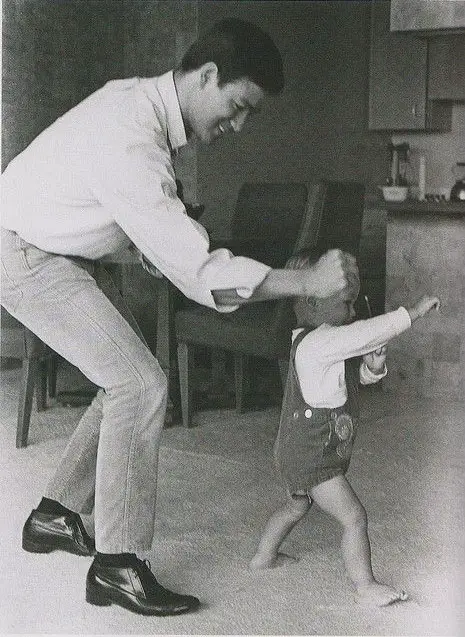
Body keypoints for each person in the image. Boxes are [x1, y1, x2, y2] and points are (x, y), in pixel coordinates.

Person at [0, 18, 357, 616]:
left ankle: (56, 515)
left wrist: (142, 241)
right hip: (22, 252)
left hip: (41, 242)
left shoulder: (139, 107)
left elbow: (101, 196)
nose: (239, 126)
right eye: (237, 106)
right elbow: (198, 271)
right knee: (140, 384)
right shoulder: (132, 131)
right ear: (208, 75)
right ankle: (117, 565)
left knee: (130, 377)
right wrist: (307, 281)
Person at [249, 249, 440, 607]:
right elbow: (365, 333)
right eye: (346, 304)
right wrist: (410, 314)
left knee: (296, 507)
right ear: (313, 302)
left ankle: (264, 556)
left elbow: (350, 384)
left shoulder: (322, 345)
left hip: (298, 451)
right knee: (354, 517)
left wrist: (374, 367)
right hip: (312, 456)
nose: (353, 313)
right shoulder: (318, 343)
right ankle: (365, 586)